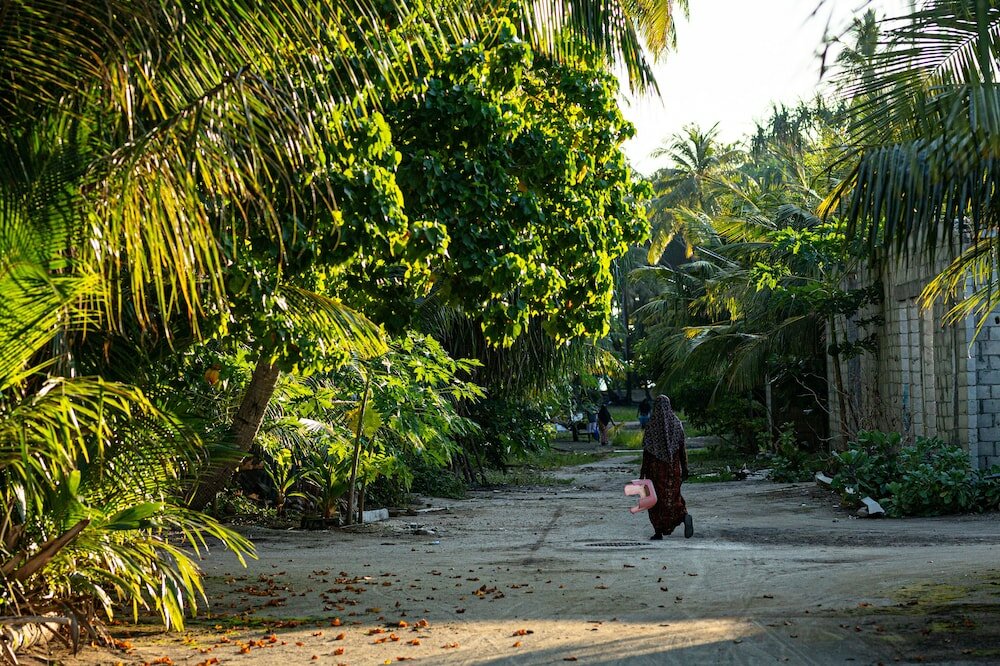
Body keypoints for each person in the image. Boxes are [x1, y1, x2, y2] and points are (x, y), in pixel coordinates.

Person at [640, 395, 693, 540]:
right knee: (672, 496)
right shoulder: (676, 423)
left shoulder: (652, 425)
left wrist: (642, 473)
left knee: (654, 500)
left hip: (655, 471)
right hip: (672, 470)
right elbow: (682, 449)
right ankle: (683, 516)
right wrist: (685, 468)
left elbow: (647, 452)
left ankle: (658, 531)